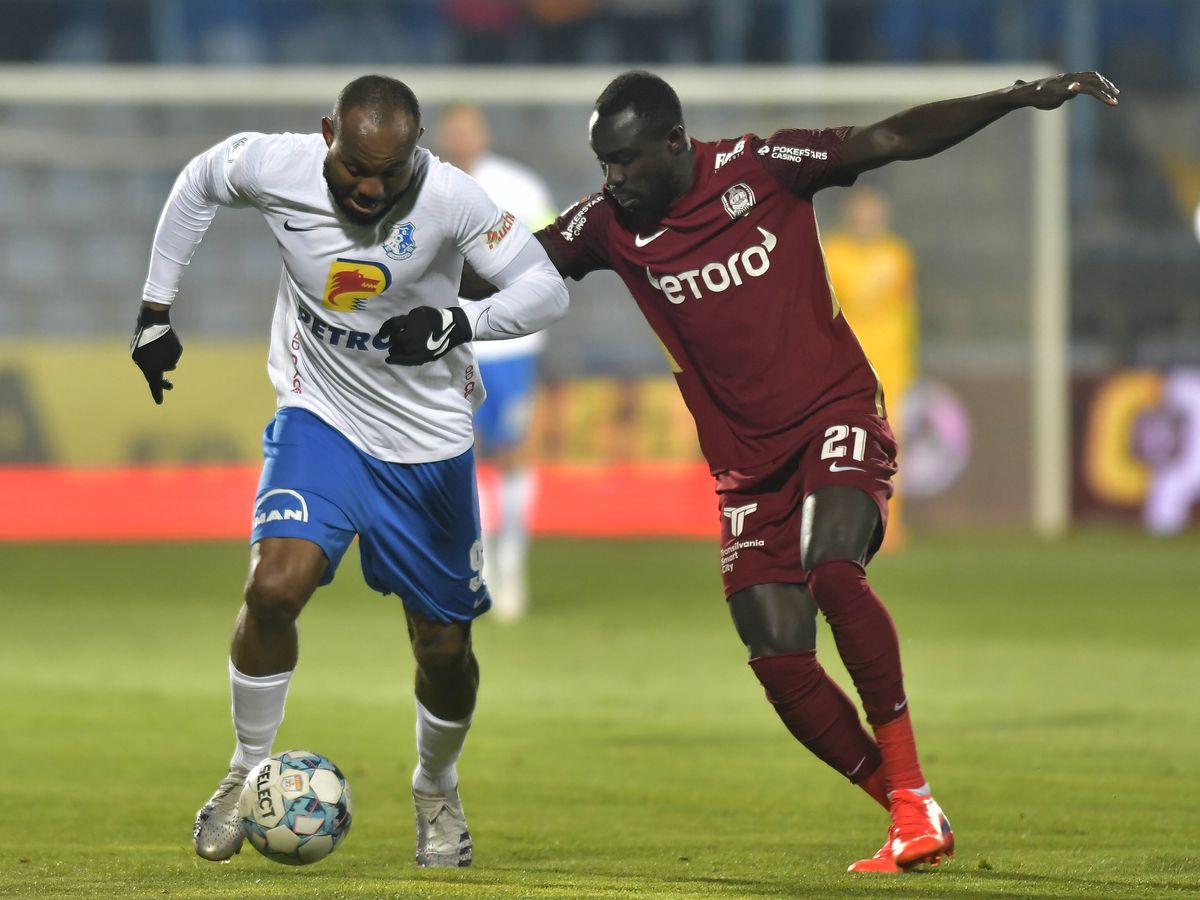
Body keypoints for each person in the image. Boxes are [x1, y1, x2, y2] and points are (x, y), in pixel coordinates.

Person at [525, 68, 1119, 873]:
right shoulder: (606, 224)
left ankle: (911, 797)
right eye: (604, 163)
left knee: (834, 570)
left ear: (675, 143)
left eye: (627, 161)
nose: (614, 179)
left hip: (836, 415)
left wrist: (1011, 98)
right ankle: (912, 809)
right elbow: (510, 269)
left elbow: (890, 140)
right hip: (746, 470)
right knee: (778, 659)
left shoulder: (761, 167)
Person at [130, 74, 568, 869]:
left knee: (444, 650)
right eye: (354, 169)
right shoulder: (275, 165)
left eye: (388, 174)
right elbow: (198, 181)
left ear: (419, 152)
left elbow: (544, 289)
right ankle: (243, 771)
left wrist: (457, 322)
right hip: (318, 417)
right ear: (327, 131)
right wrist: (156, 310)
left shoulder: (455, 199)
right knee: (272, 587)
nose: (369, 189)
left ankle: (435, 786)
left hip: (428, 442)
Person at [436, 102, 559, 622]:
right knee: (462, 459)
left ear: (482, 133)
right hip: (448, 347)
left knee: (513, 456)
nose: (462, 137)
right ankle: (479, 571)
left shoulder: (521, 188)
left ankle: (512, 568)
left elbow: (552, 258)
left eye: (470, 128)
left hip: (509, 349)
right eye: (453, 129)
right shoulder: (423, 189)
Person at [822, 187, 918, 549]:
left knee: (893, 447)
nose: (868, 220)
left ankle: (890, 524)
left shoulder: (898, 256)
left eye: (873, 213)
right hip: (845, 367)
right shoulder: (832, 252)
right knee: (841, 445)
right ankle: (839, 521)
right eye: (862, 213)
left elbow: (907, 314)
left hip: (891, 366)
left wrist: (909, 361)